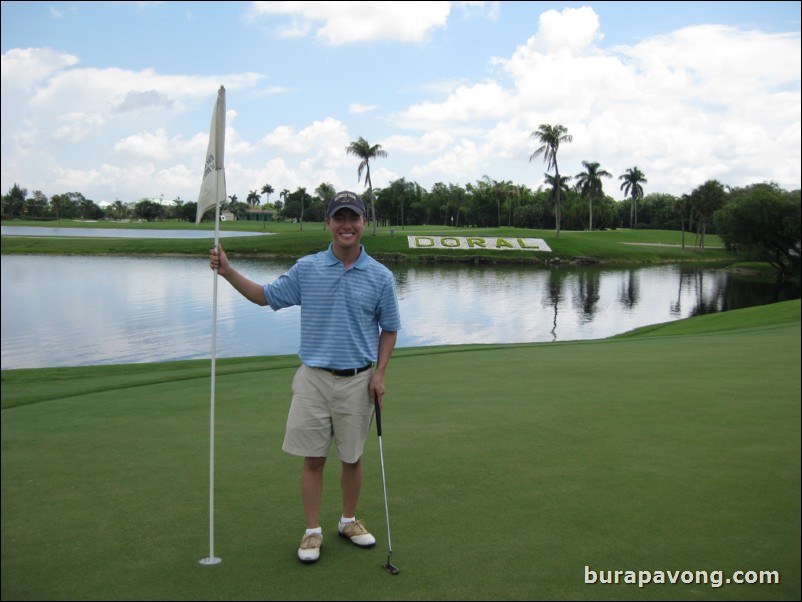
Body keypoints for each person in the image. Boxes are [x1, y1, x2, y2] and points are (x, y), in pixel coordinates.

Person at [209, 190, 401, 564]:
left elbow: (389, 328)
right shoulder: (307, 268)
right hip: (313, 378)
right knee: (314, 458)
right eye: (339, 218)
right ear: (328, 223)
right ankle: (312, 531)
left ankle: (348, 520)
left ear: (364, 223)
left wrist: (380, 373)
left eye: (354, 218)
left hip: (358, 381)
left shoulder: (381, 276)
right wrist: (229, 271)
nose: (347, 225)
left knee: (352, 457)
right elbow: (265, 297)